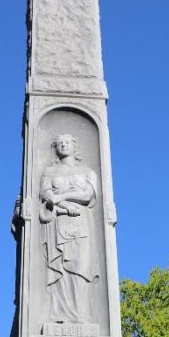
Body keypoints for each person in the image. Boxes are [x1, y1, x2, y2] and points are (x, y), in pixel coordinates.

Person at [39, 134, 98, 324]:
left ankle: (82, 315)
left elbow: (88, 195)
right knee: (61, 268)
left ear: (74, 145)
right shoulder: (50, 171)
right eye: (59, 143)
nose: (63, 145)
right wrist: (63, 204)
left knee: (81, 267)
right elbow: (46, 195)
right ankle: (61, 316)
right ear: (55, 148)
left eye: (67, 142)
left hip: (82, 224)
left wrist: (62, 196)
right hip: (60, 222)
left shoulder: (87, 172)